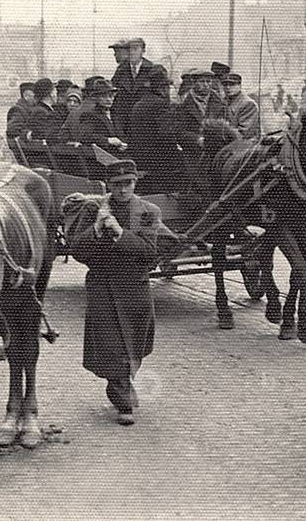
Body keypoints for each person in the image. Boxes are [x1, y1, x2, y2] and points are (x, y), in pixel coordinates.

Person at [69, 159, 179, 425]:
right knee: (110, 346)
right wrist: (95, 230)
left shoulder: (148, 211)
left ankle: (124, 383)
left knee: (134, 347)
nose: (122, 190)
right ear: (109, 185)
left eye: (128, 183)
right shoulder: (94, 209)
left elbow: (150, 252)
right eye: (117, 185)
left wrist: (119, 233)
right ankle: (122, 398)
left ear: (135, 183)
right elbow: (77, 252)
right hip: (103, 288)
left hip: (135, 289)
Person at [128, 66, 183, 192]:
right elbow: (166, 135)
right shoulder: (161, 104)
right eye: (168, 87)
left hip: (140, 160)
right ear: (162, 88)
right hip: (160, 164)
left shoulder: (138, 104)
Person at [173, 67, 231, 155]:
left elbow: (229, 126)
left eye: (208, 81)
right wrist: (197, 140)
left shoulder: (220, 103)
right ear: (194, 83)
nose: (206, 85)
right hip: (192, 153)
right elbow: (178, 131)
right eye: (202, 81)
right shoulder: (182, 104)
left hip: (216, 154)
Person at [110, 38, 159, 142]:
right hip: (125, 129)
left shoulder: (153, 71)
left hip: (147, 129)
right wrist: (119, 132)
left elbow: (161, 103)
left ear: (143, 51)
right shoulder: (121, 71)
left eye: (135, 49)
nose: (132, 52)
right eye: (129, 49)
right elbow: (114, 103)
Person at [76, 78, 128, 152]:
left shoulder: (116, 115)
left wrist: (124, 144)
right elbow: (84, 136)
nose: (108, 99)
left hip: (120, 154)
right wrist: (107, 140)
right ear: (96, 98)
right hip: (101, 158)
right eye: (104, 96)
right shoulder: (90, 115)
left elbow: (123, 135)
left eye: (111, 96)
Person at [221, 73, 260, 140]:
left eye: (232, 84)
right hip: (227, 141)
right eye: (225, 85)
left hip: (244, 144)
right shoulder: (223, 101)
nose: (228, 87)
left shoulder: (248, 104)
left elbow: (244, 133)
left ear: (240, 86)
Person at [26, 78, 63, 142]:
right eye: (55, 90)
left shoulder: (37, 109)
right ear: (51, 94)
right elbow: (50, 137)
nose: (57, 93)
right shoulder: (43, 112)